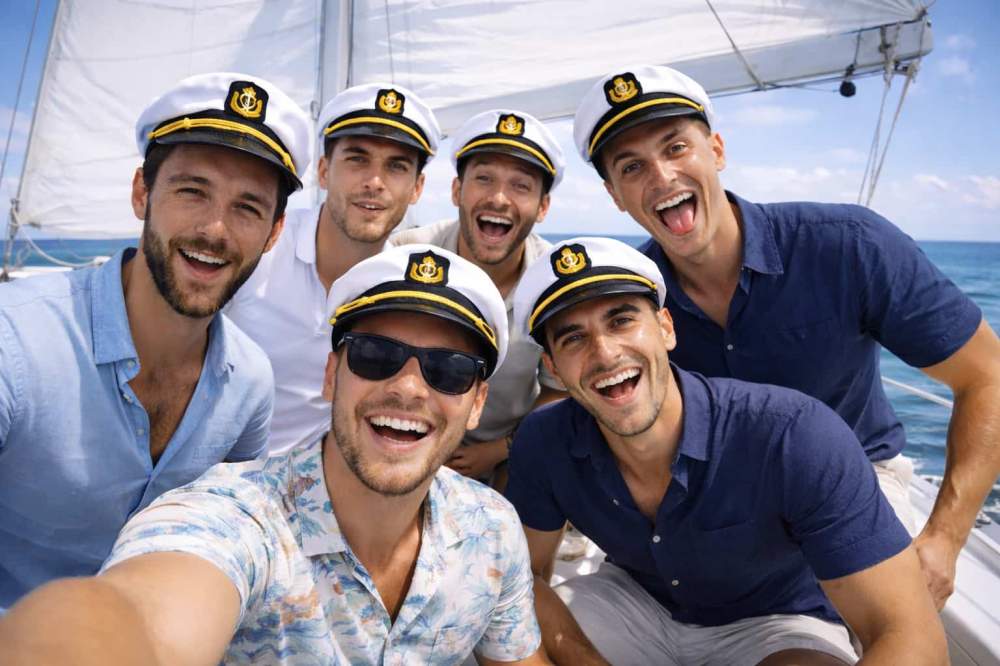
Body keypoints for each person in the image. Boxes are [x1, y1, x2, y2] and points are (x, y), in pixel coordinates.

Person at [572, 64, 1000, 608]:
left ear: (717, 151)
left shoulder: (850, 246)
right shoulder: (624, 304)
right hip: (707, 499)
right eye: (633, 167)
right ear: (614, 195)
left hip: (857, 476)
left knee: (848, 618)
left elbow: (987, 375)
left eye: (676, 147)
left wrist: (943, 539)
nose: (661, 177)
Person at [0, 244, 549, 665]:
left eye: (449, 369)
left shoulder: (492, 529)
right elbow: (141, 615)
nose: (408, 388)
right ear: (332, 375)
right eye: (376, 355)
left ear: (477, 402)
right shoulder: (237, 518)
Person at [505, 236, 947, 665]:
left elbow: (914, 639)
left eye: (621, 321)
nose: (604, 353)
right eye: (573, 339)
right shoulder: (543, 441)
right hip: (633, 601)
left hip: (777, 621)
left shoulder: (793, 436)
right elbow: (525, 579)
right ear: (553, 368)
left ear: (665, 328)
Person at [0, 72, 311, 610]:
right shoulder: (15, 341)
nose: (215, 229)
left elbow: (230, 537)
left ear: (275, 231)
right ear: (142, 193)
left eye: (248, 207)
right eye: (193, 191)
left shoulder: (251, 383)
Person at [225, 83, 440, 455]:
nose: (374, 182)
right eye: (357, 159)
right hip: (212, 472)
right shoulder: (258, 246)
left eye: (396, 167)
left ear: (417, 187)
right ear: (323, 171)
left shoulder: (401, 292)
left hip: (322, 484)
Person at [390, 109, 565, 485]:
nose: (499, 198)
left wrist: (503, 448)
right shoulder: (406, 254)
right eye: (484, 179)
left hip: (508, 453)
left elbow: (559, 390)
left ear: (543, 207)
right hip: (404, 435)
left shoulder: (553, 284)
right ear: (457, 190)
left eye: (521, 186)